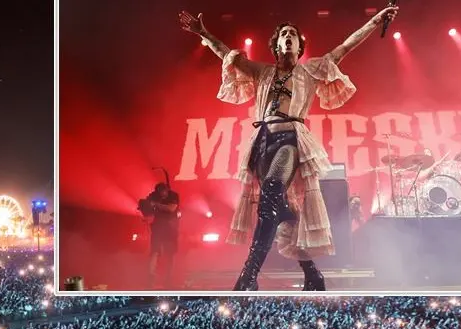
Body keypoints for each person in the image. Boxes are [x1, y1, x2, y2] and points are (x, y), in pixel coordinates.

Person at [178, 6, 398, 291]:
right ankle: (312, 274)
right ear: (277, 44)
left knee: (271, 192)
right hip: (263, 141)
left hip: (290, 140)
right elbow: (226, 54)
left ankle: (248, 276)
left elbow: (346, 46)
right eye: (284, 34)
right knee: (275, 211)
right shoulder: (262, 71)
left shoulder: (311, 70)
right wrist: (203, 33)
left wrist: (374, 21)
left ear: (300, 44)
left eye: (294, 34)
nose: (289, 37)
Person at [140, 182, 180, 288]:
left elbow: (172, 208)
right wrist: (146, 211)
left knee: (170, 254)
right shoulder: (153, 195)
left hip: (171, 227)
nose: (162, 194)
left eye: (163, 192)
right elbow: (145, 206)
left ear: (167, 190)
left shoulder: (173, 195)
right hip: (157, 226)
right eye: (159, 192)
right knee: (154, 252)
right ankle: (151, 277)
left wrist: (156, 204)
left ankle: (168, 278)